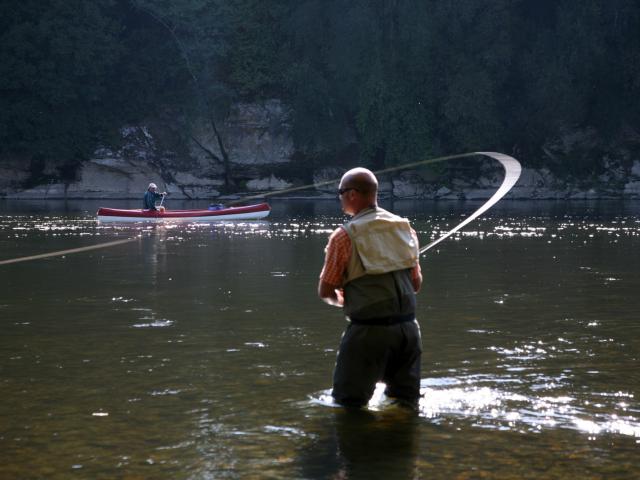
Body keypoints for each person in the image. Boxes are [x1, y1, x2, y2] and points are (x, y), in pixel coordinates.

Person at [318, 167, 423, 408]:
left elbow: (325, 292)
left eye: (341, 192)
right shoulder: (404, 228)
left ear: (353, 194)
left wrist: (343, 299)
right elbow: (415, 285)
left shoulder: (344, 236)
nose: (339, 197)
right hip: (409, 333)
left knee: (348, 406)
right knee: (405, 405)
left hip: (368, 335)